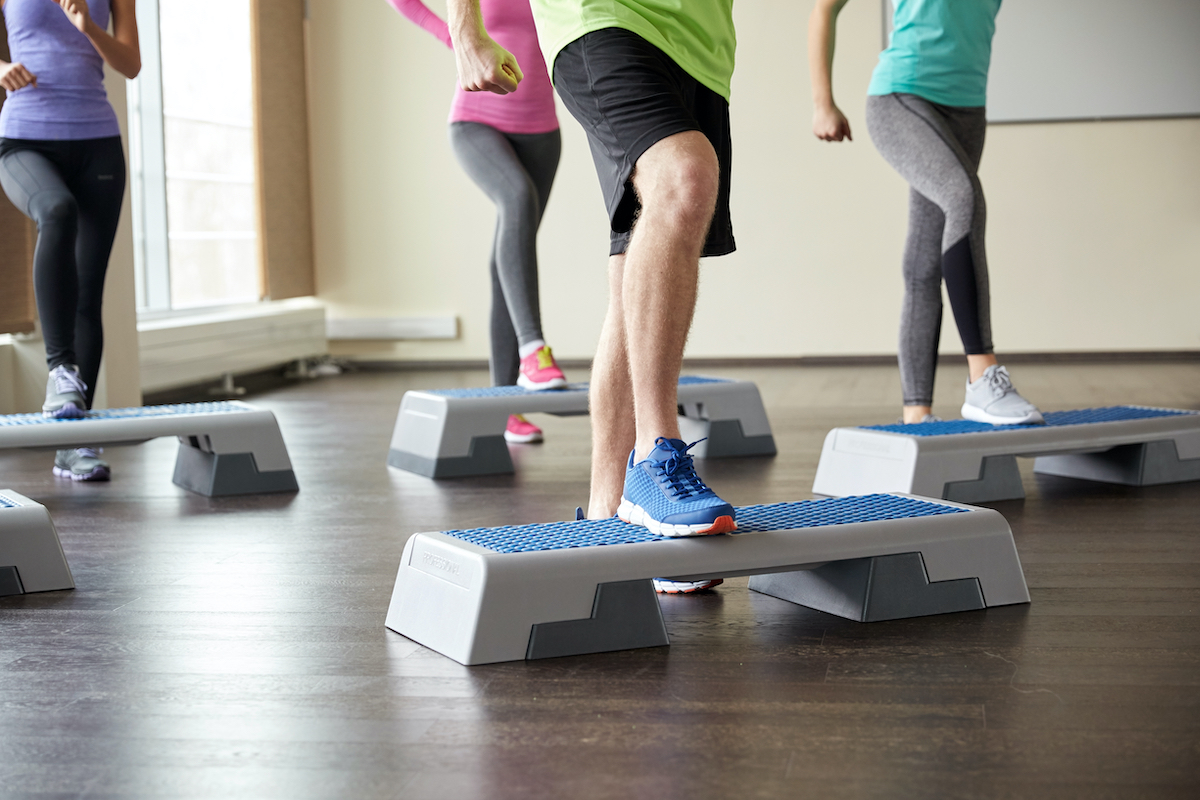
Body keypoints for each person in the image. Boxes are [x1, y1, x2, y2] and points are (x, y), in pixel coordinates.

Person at [445, 0, 738, 595]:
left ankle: (609, 515)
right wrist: (464, 28)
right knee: (686, 174)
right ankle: (657, 456)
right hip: (600, 19)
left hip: (702, 47)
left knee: (635, 257)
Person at [810, 0, 1042, 426]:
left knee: (924, 259)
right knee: (963, 198)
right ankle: (982, 376)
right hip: (903, 96)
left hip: (969, 109)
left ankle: (917, 414)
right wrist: (823, 102)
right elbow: (824, 8)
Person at [385, 0, 567, 445]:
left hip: (543, 129)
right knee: (517, 197)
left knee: (508, 253)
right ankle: (533, 351)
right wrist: (458, 37)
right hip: (476, 120)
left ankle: (505, 408)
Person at [0, 0, 140, 481]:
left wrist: (88, 28)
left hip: (97, 140)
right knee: (55, 211)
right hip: (24, 138)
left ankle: (75, 443)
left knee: (87, 293)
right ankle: (62, 371)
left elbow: (131, 63)